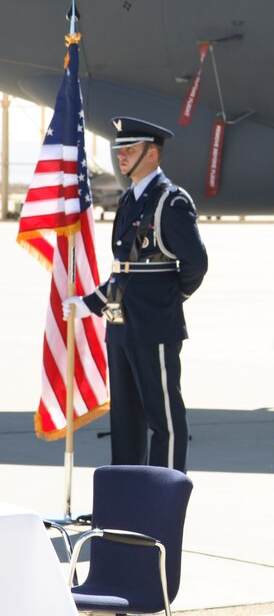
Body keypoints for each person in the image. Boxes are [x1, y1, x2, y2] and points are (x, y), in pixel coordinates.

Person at [63, 117, 208, 472]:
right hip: (122, 325)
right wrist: (89, 304)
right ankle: (127, 503)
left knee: (164, 421)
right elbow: (123, 271)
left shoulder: (170, 202)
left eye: (129, 149)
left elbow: (196, 264)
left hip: (155, 325)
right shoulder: (129, 200)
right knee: (125, 423)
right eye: (120, 150)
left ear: (153, 153)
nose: (121, 156)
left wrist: (169, 301)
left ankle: (163, 500)